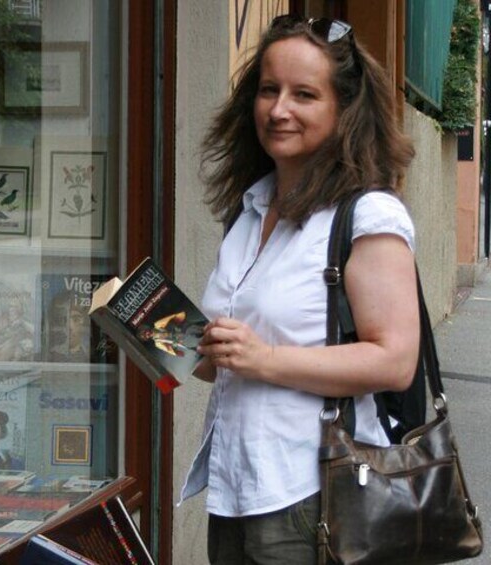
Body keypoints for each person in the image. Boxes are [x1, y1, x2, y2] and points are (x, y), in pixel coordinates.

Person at [180, 15, 420, 564]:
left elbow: (395, 361)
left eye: (304, 94)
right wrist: (158, 337)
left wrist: (262, 359)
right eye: (269, 89)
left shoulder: (366, 215)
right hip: (236, 486)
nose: (278, 109)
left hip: (312, 488)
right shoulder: (252, 209)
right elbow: (224, 361)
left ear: (344, 110)